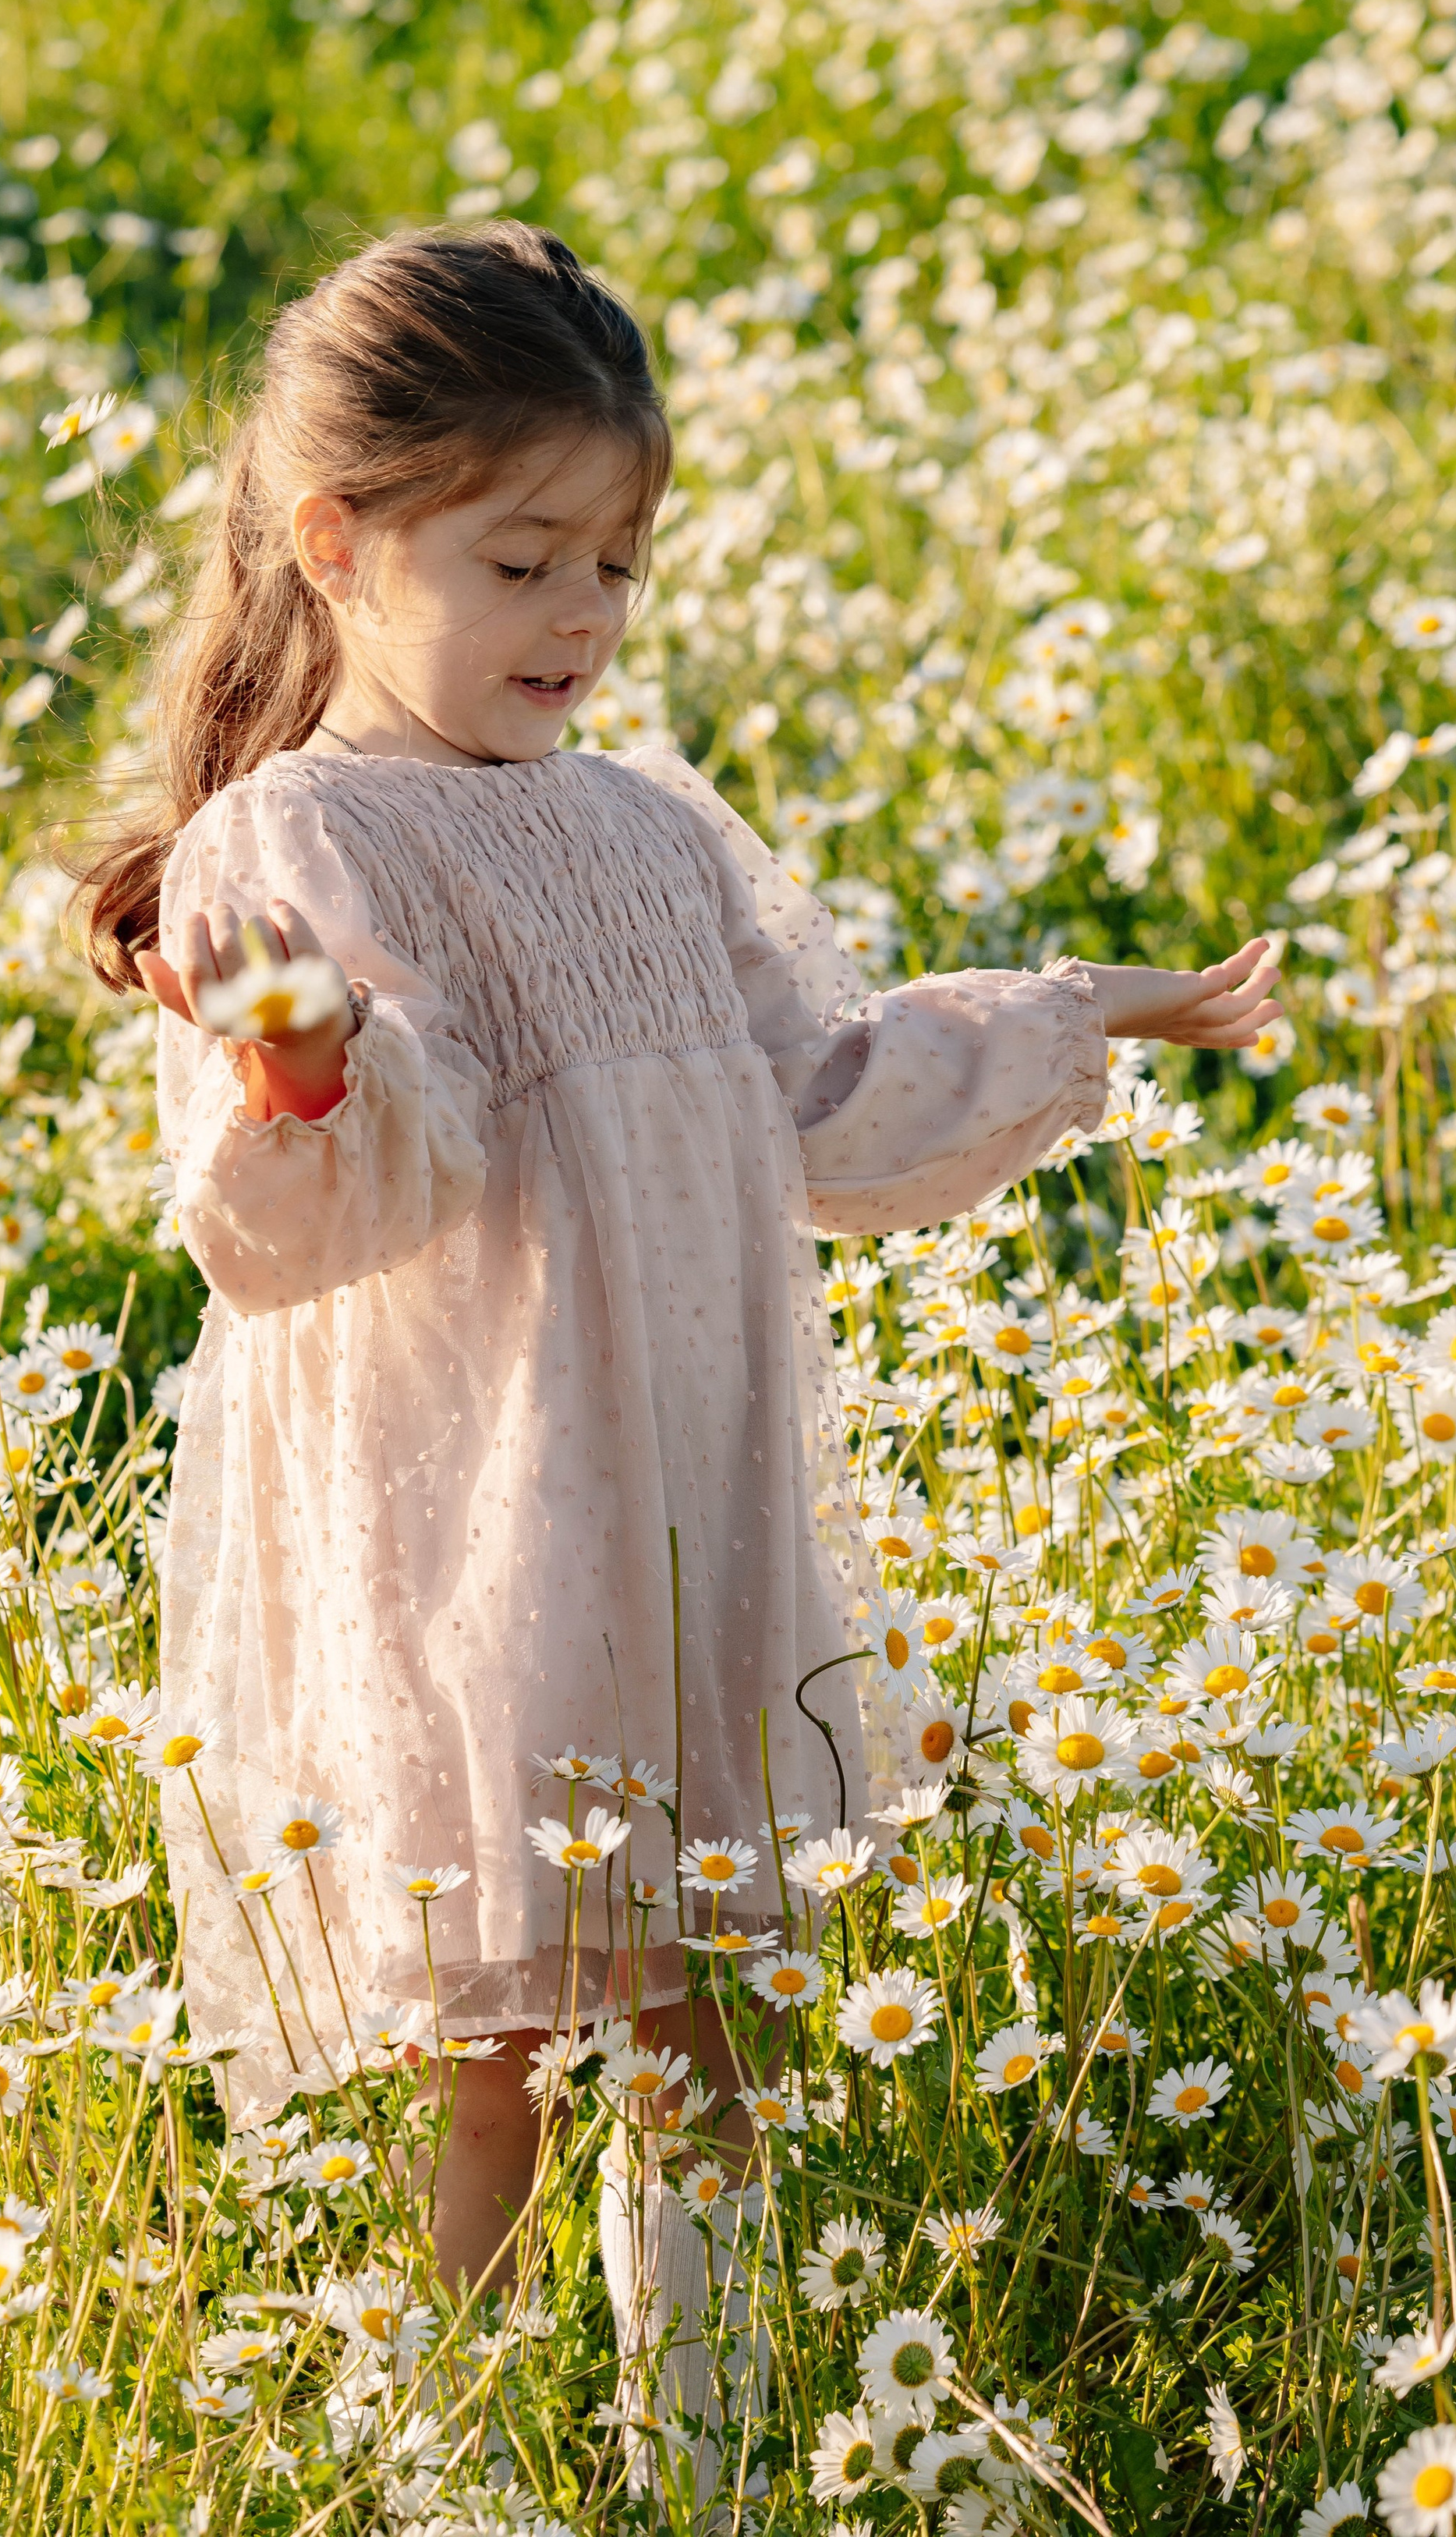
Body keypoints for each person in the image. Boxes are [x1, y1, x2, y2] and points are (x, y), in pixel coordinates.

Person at [69, 218, 1281, 2359]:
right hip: (479, 1525)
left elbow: (814, 1101)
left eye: (617, 565)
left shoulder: (643, 824)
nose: (584, 619)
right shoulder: (300, 843)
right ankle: (439, 2443)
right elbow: (298, 1228)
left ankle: (701, 2454)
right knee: (502, 2072)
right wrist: (302, 1073)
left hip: (686, 1506)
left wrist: (1077, 1010)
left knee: (712, 2024)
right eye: (523, 561)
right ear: (338, 543)